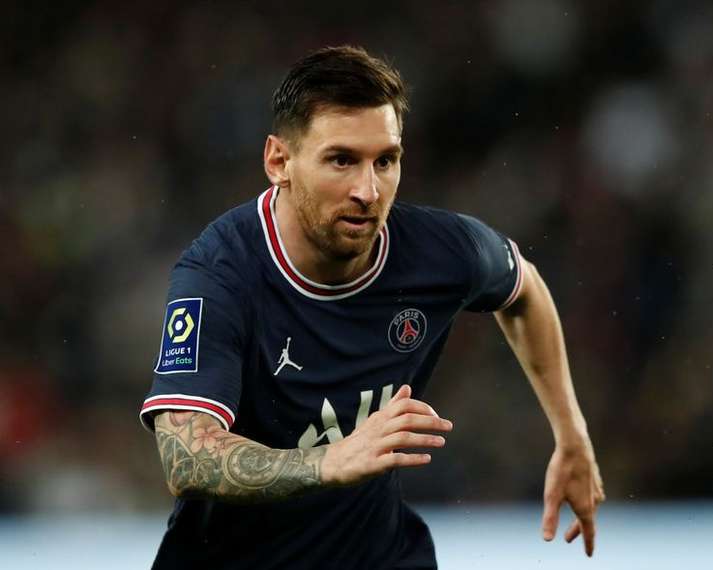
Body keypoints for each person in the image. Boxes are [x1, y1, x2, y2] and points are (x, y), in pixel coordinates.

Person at [140, 45, 604, 570]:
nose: (368, 190)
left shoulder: (442, 252)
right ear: (279, 161)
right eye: (342, 160)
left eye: (386, 160)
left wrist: (571, 434)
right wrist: (327, 462)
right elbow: (185, 456)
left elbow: (526, 291)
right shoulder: (220, 275)